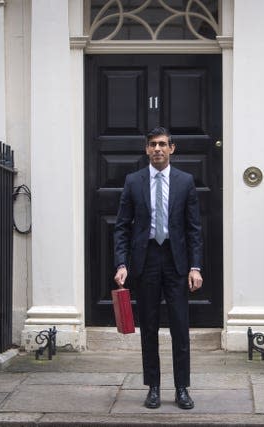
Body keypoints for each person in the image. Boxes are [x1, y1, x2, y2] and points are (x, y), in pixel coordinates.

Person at [114, 126, 203, 410]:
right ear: (146, 149)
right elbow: (121, 228)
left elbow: (194, 229)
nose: (157, 149)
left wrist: (195, 267)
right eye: (152, 145)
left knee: (180, 326)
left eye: (163, 144)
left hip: (176, 262)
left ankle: (181, 388)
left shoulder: (185, 181)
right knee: (149, 326)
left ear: (172, 149)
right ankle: (153, 387)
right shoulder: (133, 181)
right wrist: (122, 263)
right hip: (146, 260)